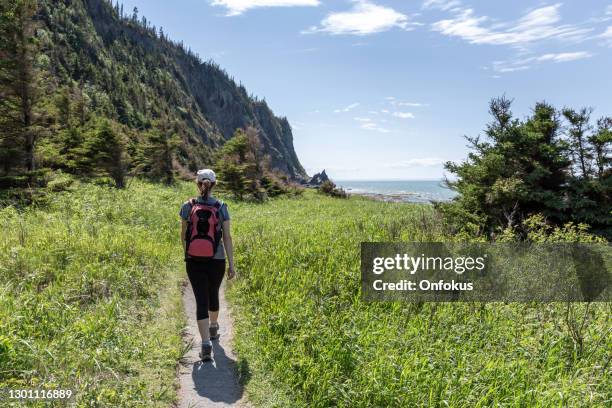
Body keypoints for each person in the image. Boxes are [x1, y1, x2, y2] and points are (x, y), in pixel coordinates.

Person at [179, 169, 236, 361]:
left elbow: (183, 235)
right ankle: (213, 326)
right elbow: (227, 237)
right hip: (217, 259)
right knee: (213, 292)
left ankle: (205, 345)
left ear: (198, 184)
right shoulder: (221, 207)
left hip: (194, 259)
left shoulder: (188, 206)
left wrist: (188, 254)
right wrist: (231, 264)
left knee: (200, 299)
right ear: (214, 184)